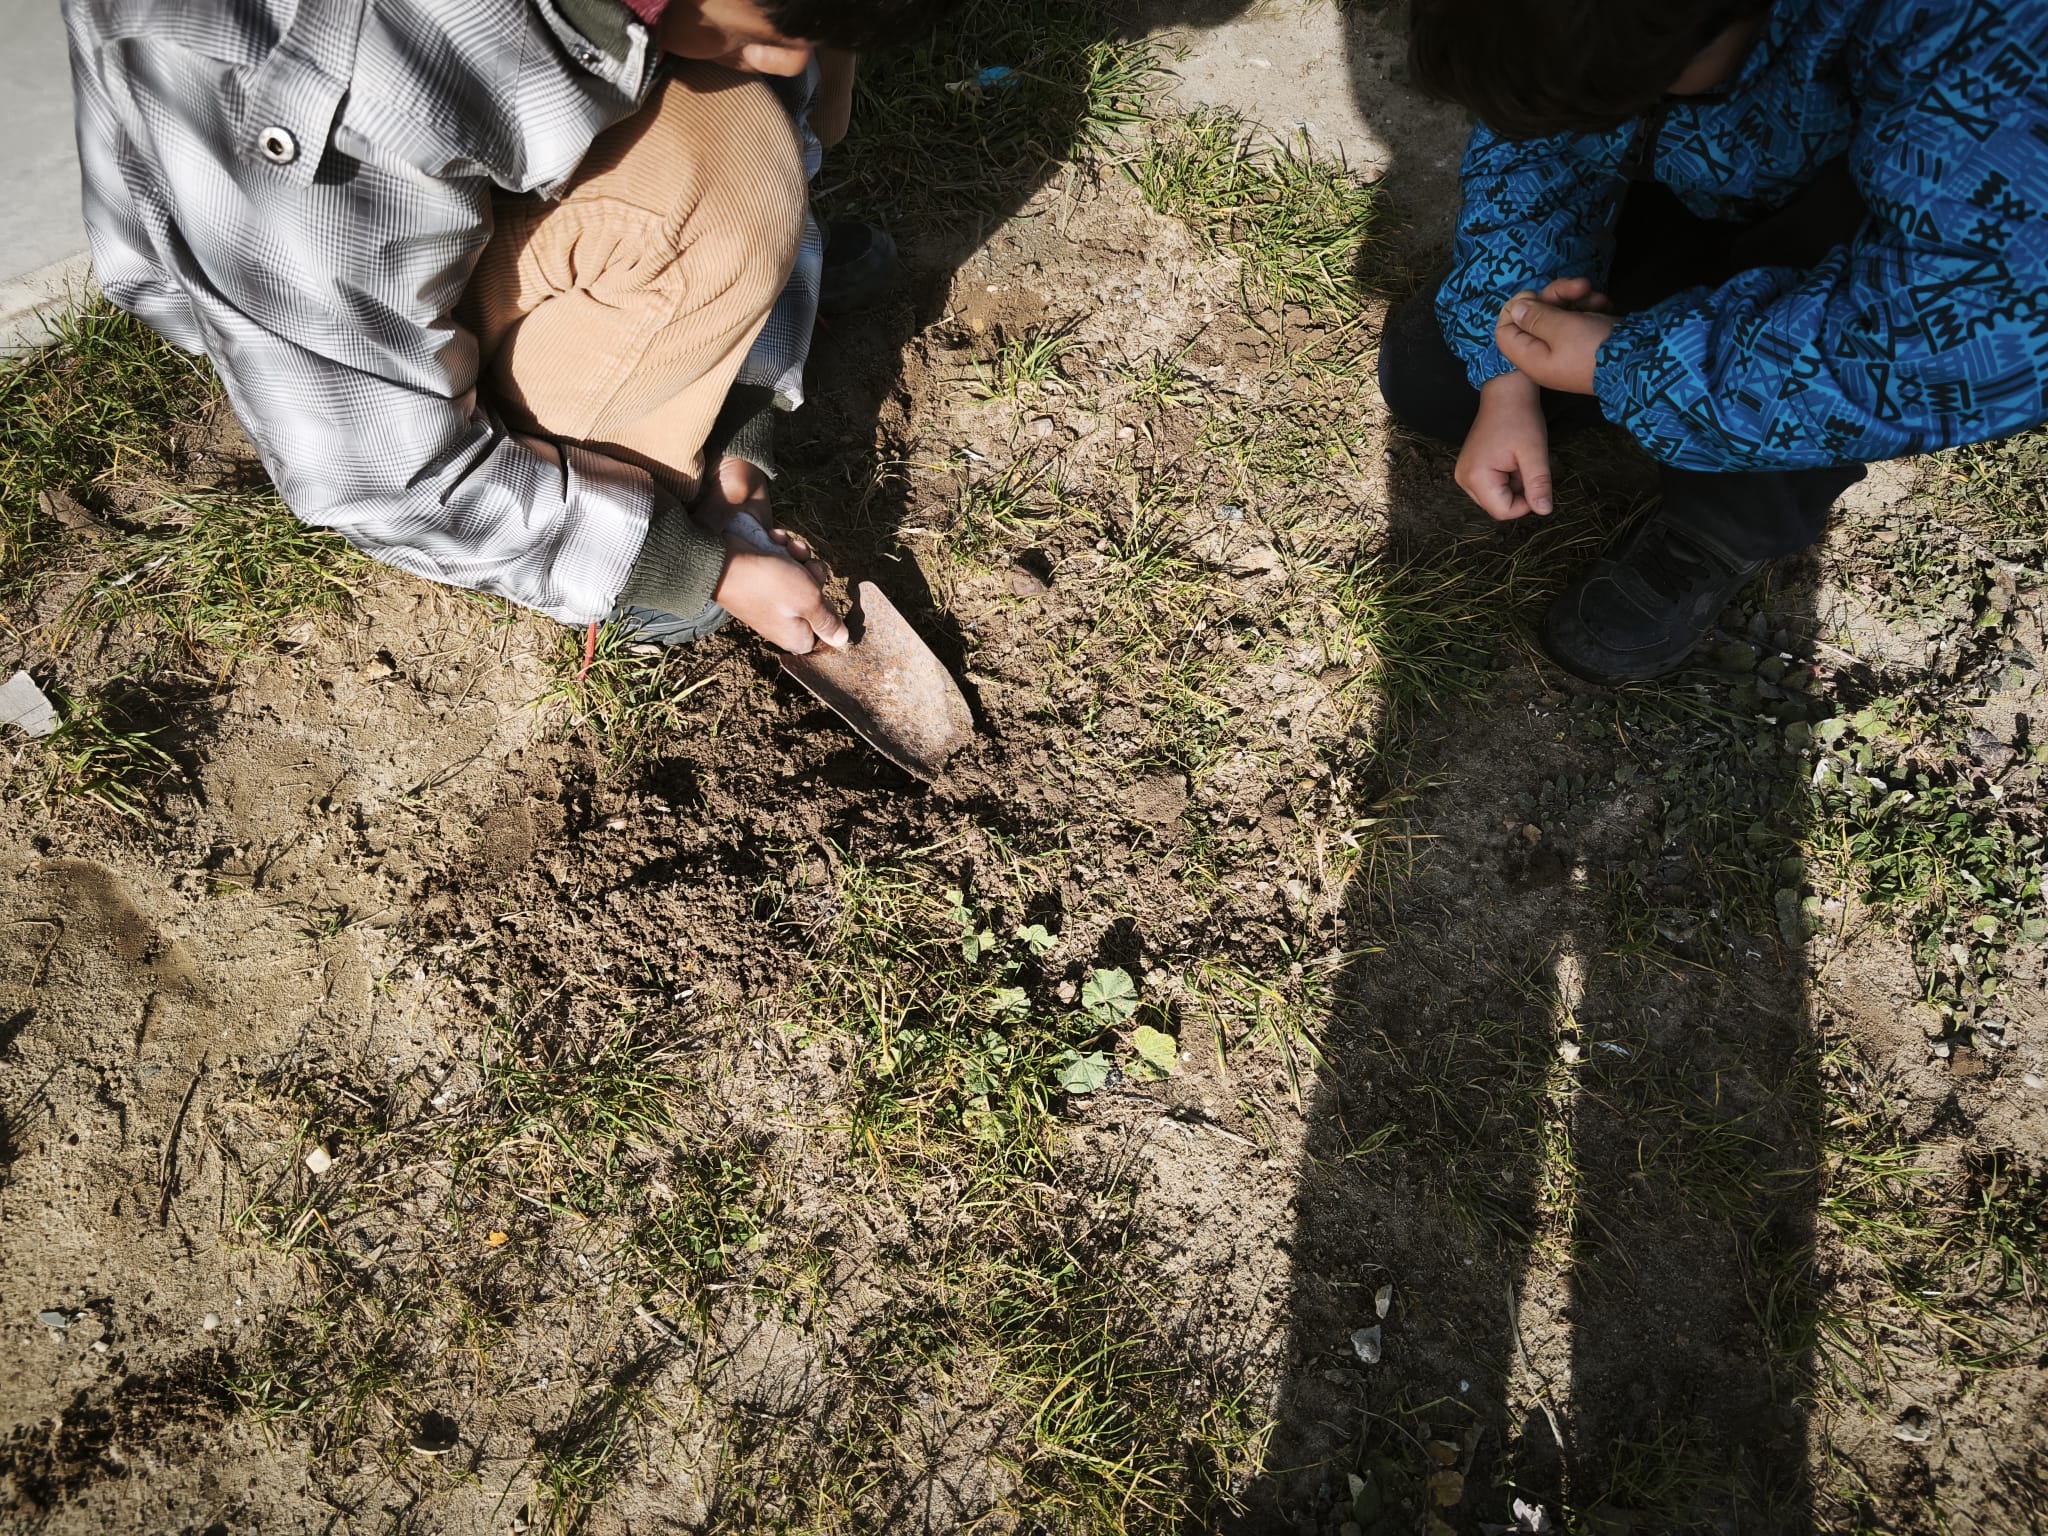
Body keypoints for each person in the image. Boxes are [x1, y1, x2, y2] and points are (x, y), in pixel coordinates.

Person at [61, 0, 960, 657]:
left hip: (466, 139)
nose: (783, 57)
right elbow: (374, 471)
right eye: (778, 27)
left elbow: (783, 117)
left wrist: (738, 407)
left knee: (764, 126)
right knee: (717, 201)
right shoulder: (322, 79)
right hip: (324, 280)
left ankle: (680, 370)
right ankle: (616, 513)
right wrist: (685, 567)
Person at [1380, 0, 2048, 682]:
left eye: (1614, 96)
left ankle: (1728, 518)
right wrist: (1506, 373)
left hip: (1859, 248)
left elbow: (1941, 341)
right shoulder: (1592, 36)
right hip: (1692, 179)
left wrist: (1627, 365)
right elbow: (1536, 135)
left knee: (1805, 372)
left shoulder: (1981, 43)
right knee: (1434, 380)